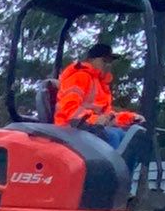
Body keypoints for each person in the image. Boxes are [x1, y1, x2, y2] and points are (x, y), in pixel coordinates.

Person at [54, 36, 150, 177]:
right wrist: (95, 120)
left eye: (110, 62)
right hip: (70, 128)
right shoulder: (79, 77)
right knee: (113, 136)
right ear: (91, 60)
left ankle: (123, 183)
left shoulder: (100, 84)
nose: (108, 65)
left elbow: (107, 115)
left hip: (89, 127)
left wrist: (130, 118)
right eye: (104, 61)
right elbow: (69, 110)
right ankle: (108, 182)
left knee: (129, 139)